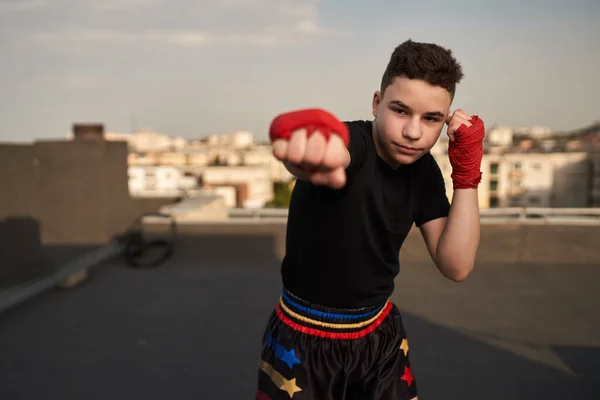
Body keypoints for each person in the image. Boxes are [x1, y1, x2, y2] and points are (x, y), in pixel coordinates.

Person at [255, 39, 484, 400]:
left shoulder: (424, 173)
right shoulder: (354, 143)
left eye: (431, 118)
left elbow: (456, 265)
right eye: (400, 111)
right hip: (303, 339)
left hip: (378, 335)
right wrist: (311, 155)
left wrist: (467, 172)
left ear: (444, 120)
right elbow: (329, 154)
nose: (413, 132)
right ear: (377, 104)